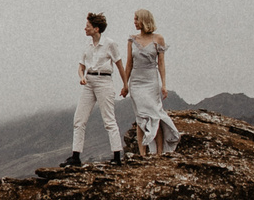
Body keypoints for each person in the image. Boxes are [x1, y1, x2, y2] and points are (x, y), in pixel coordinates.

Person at [69, 12, 126, 166]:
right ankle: (75, 156)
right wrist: (82, 76)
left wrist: (125, 84)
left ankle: (116, 156)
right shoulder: (87, 47)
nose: (85, 29)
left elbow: (120, 65)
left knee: (109, 118)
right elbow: (80, 67)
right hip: (89, 81)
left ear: (96, 28)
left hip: (104, 81)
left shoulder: (110, 44)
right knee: (79, 119)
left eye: (87, 26)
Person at [125, 9, 178, 157]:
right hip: (136, 81)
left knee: (155, 114)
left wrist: (164, 85)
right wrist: (125, 84)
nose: (134, 22)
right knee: (141, 116)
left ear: (144, 20)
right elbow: (128, 63)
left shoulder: (158, 39)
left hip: (151, 80)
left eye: (136, 19)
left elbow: (161, 63)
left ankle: (159, 152)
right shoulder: (132, 40)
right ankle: (143, 152)